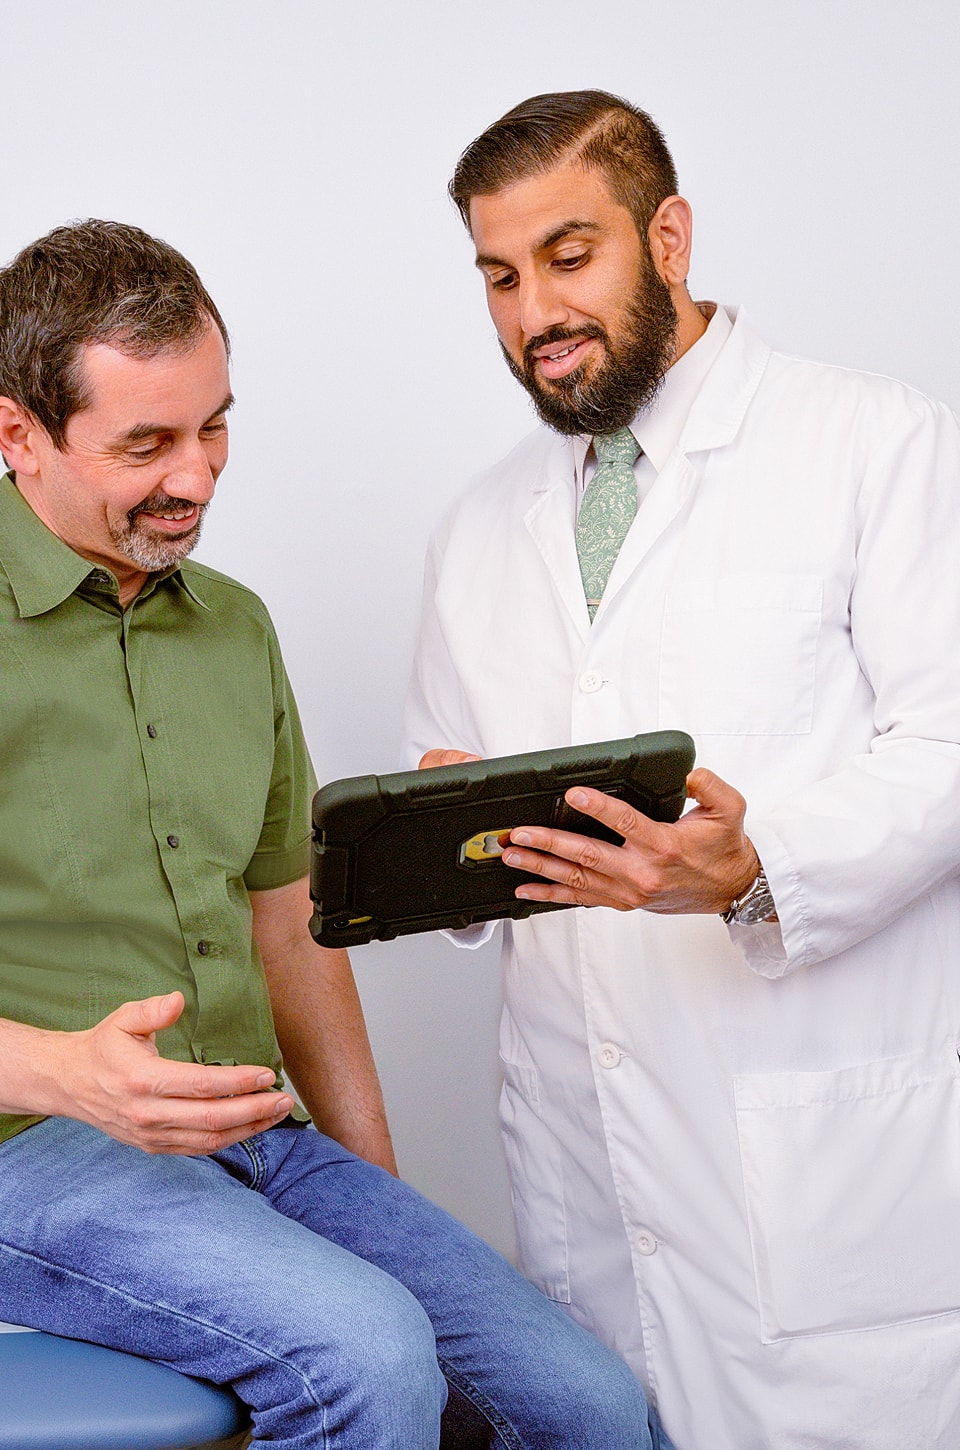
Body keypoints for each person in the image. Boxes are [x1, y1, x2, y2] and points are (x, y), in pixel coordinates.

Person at [0, 220, 666, 1450]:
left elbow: (289, 931)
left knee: (592, 1408)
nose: (195, 478)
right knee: (366, 1358)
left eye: (214, 427)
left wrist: (373, 1201)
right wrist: (71, 1074)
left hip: (256, 1143)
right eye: (145, 444)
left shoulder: (235, 631)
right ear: (18, 434)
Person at [405, 91, 960, 1450]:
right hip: (588, 1178)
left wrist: (757, 864)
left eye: (569, 255)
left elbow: (950, 743)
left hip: (822, 1162)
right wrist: (443, 838)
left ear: (669, 238)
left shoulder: (874, 443)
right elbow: (457, 818)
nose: (536, 311)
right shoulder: (477, 529)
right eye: (499, 276)